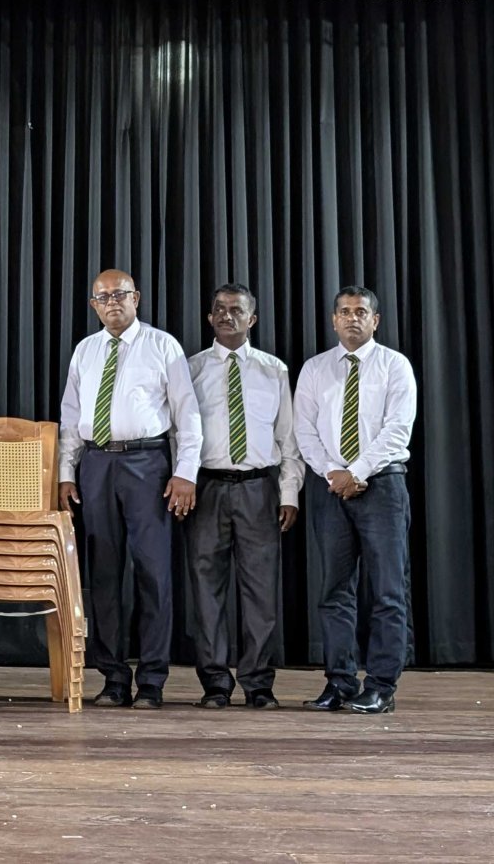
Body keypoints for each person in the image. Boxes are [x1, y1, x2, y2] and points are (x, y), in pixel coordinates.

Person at [58, 269, 203, 710]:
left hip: (148, 465)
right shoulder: (86, 350)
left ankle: (152, 681)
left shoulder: (162, 346)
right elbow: (71, 416)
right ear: (94, 306)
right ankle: (113, 677)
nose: (112, 303)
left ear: (136, 298)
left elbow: (187, 413)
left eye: (119, 294)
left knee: (153, 574)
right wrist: (66, 471)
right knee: (103, 575)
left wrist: (186, 472)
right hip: (96, 464)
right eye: (103, 297)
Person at [294, 285, 416, 715]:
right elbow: (304, 430)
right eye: (344, 312)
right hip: (330, 488)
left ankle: (382, 685)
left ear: (375, 320)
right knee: (334, 591)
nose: (352, 318)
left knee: (387, 591)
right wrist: (334, 473)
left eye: (360, 312)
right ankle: (340, 681)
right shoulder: (315, 369)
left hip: (382, 486)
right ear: (333, 320)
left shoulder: (395, 366)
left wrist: (358, 472)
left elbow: (398, 429)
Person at [186, 283, 303, 711]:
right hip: (207, 488)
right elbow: (180, 433)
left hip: (259, 488)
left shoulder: (274, 370)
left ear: (251, 319)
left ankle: (258, 683)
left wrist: (288, 493)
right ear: (209, 317)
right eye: (218, 309)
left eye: (236, 310)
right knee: (206, 589)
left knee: (260, 591)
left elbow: (288, 438)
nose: (226, 315)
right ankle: (215, 683)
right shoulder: (191, 369)